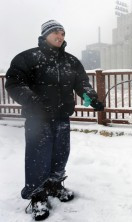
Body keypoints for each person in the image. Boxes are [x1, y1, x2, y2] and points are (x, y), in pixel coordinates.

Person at [5, 20, 104, 221]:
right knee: (38, 156)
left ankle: (55, 184)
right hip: (37, 117)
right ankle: (37, 195)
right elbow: (14, 83)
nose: (60, 36)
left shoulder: (71, 61)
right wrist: (33, 100)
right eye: (56, 33)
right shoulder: (28, 58)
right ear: (45, 35)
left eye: (63, 33)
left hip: (61, 116)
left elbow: (82, 84)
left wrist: (91, 98)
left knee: (60, 153)